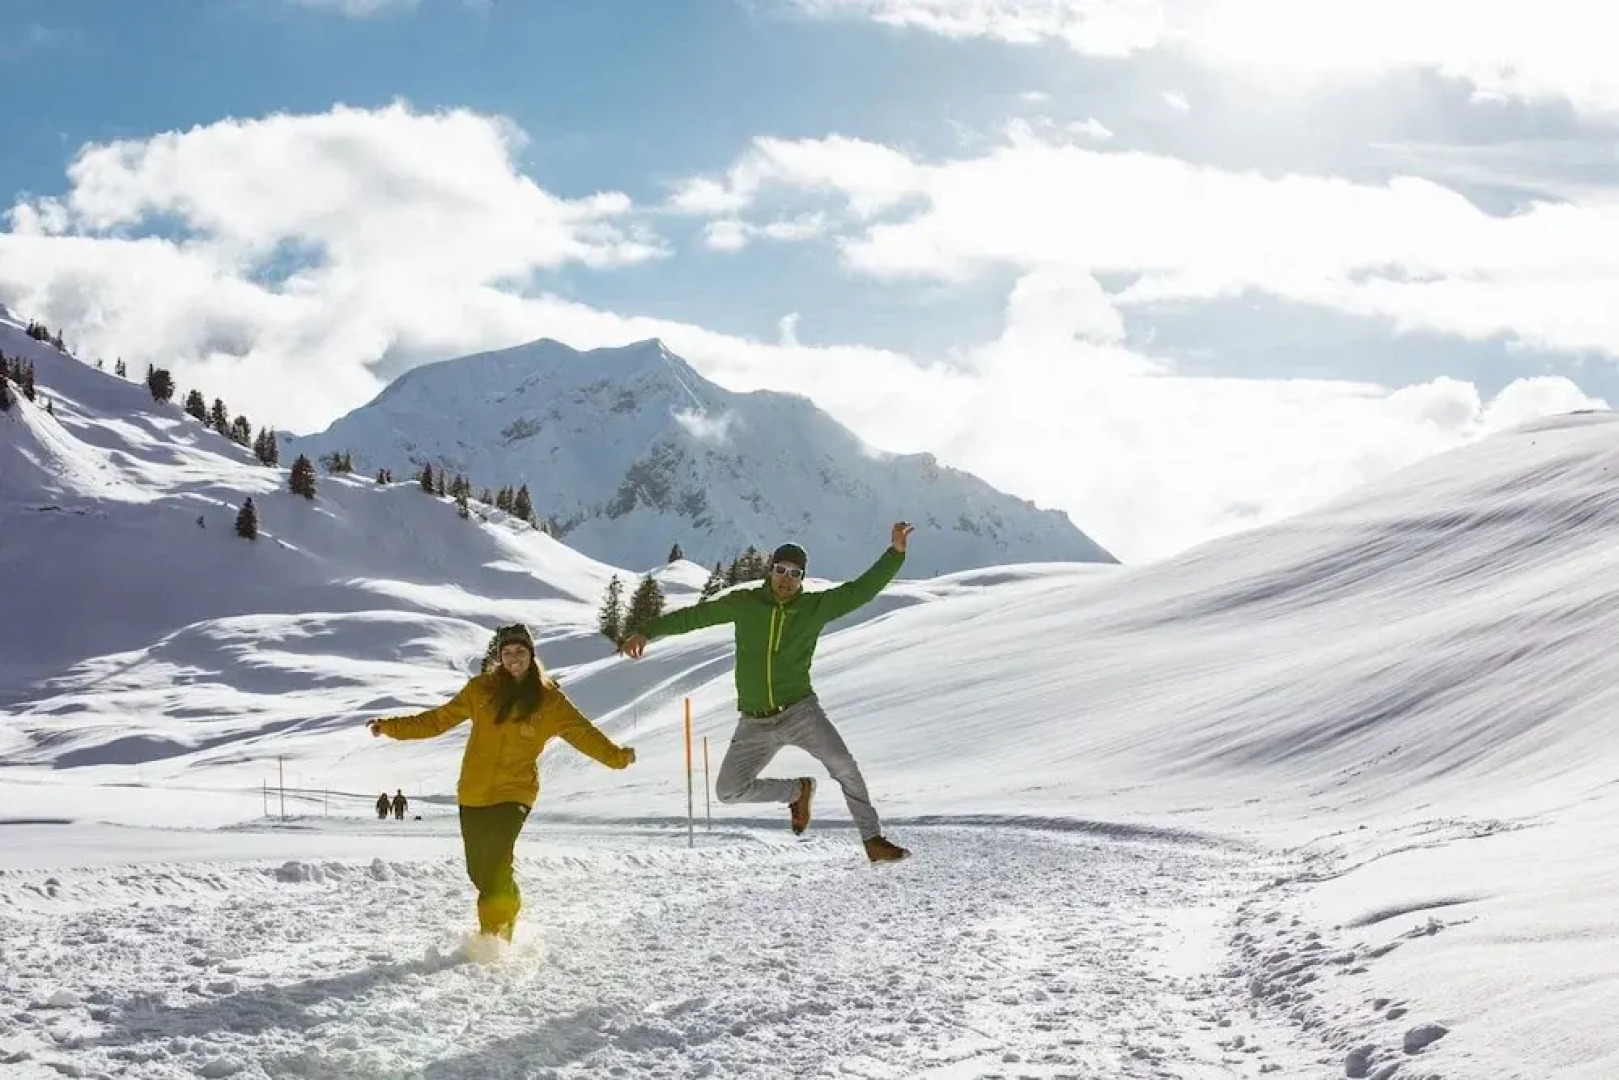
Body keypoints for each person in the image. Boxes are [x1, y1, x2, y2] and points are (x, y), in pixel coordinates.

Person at [619, 522, 913, 863]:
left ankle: (873, 839)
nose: (786, 579)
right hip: (754, 722)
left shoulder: (816, 608)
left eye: (795, 573)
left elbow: (861, 590)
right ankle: (796, 791)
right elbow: (694, 617)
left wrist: (895, 554)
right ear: (769, 570)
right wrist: (646, 631)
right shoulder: (745, 603)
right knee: (728, 791)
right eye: (780, 570)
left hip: (800, 711)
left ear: (802, 578)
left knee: (843, 765)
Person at [368, 622, 636, 940]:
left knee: (496, 859)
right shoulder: (480, 690)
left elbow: (585, 735)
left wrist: (618, 757)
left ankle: (493, 934)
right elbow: (437, 720)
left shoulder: (550, 701)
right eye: (506, 653)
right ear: (499, 657)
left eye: (520, 652)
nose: (513, 659)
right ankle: (511, 902)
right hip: (474, 791)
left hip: (516, 791)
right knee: (478, 870)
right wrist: (390, 727)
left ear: (531, 655)